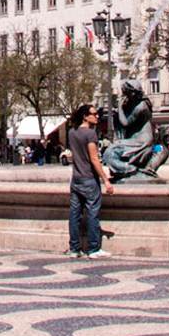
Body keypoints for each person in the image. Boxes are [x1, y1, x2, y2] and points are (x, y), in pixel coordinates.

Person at [67, 103, 114, 258]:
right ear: (85, 117)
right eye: (94, 114)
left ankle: (74, 248)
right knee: (93, 213)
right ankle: (94, 249)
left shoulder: (71, 133)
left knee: (75, 213)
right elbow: (94, 159)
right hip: (89, 179)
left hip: (76, 179)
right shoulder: (90, 134)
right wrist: (105, 180)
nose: (97, 116)